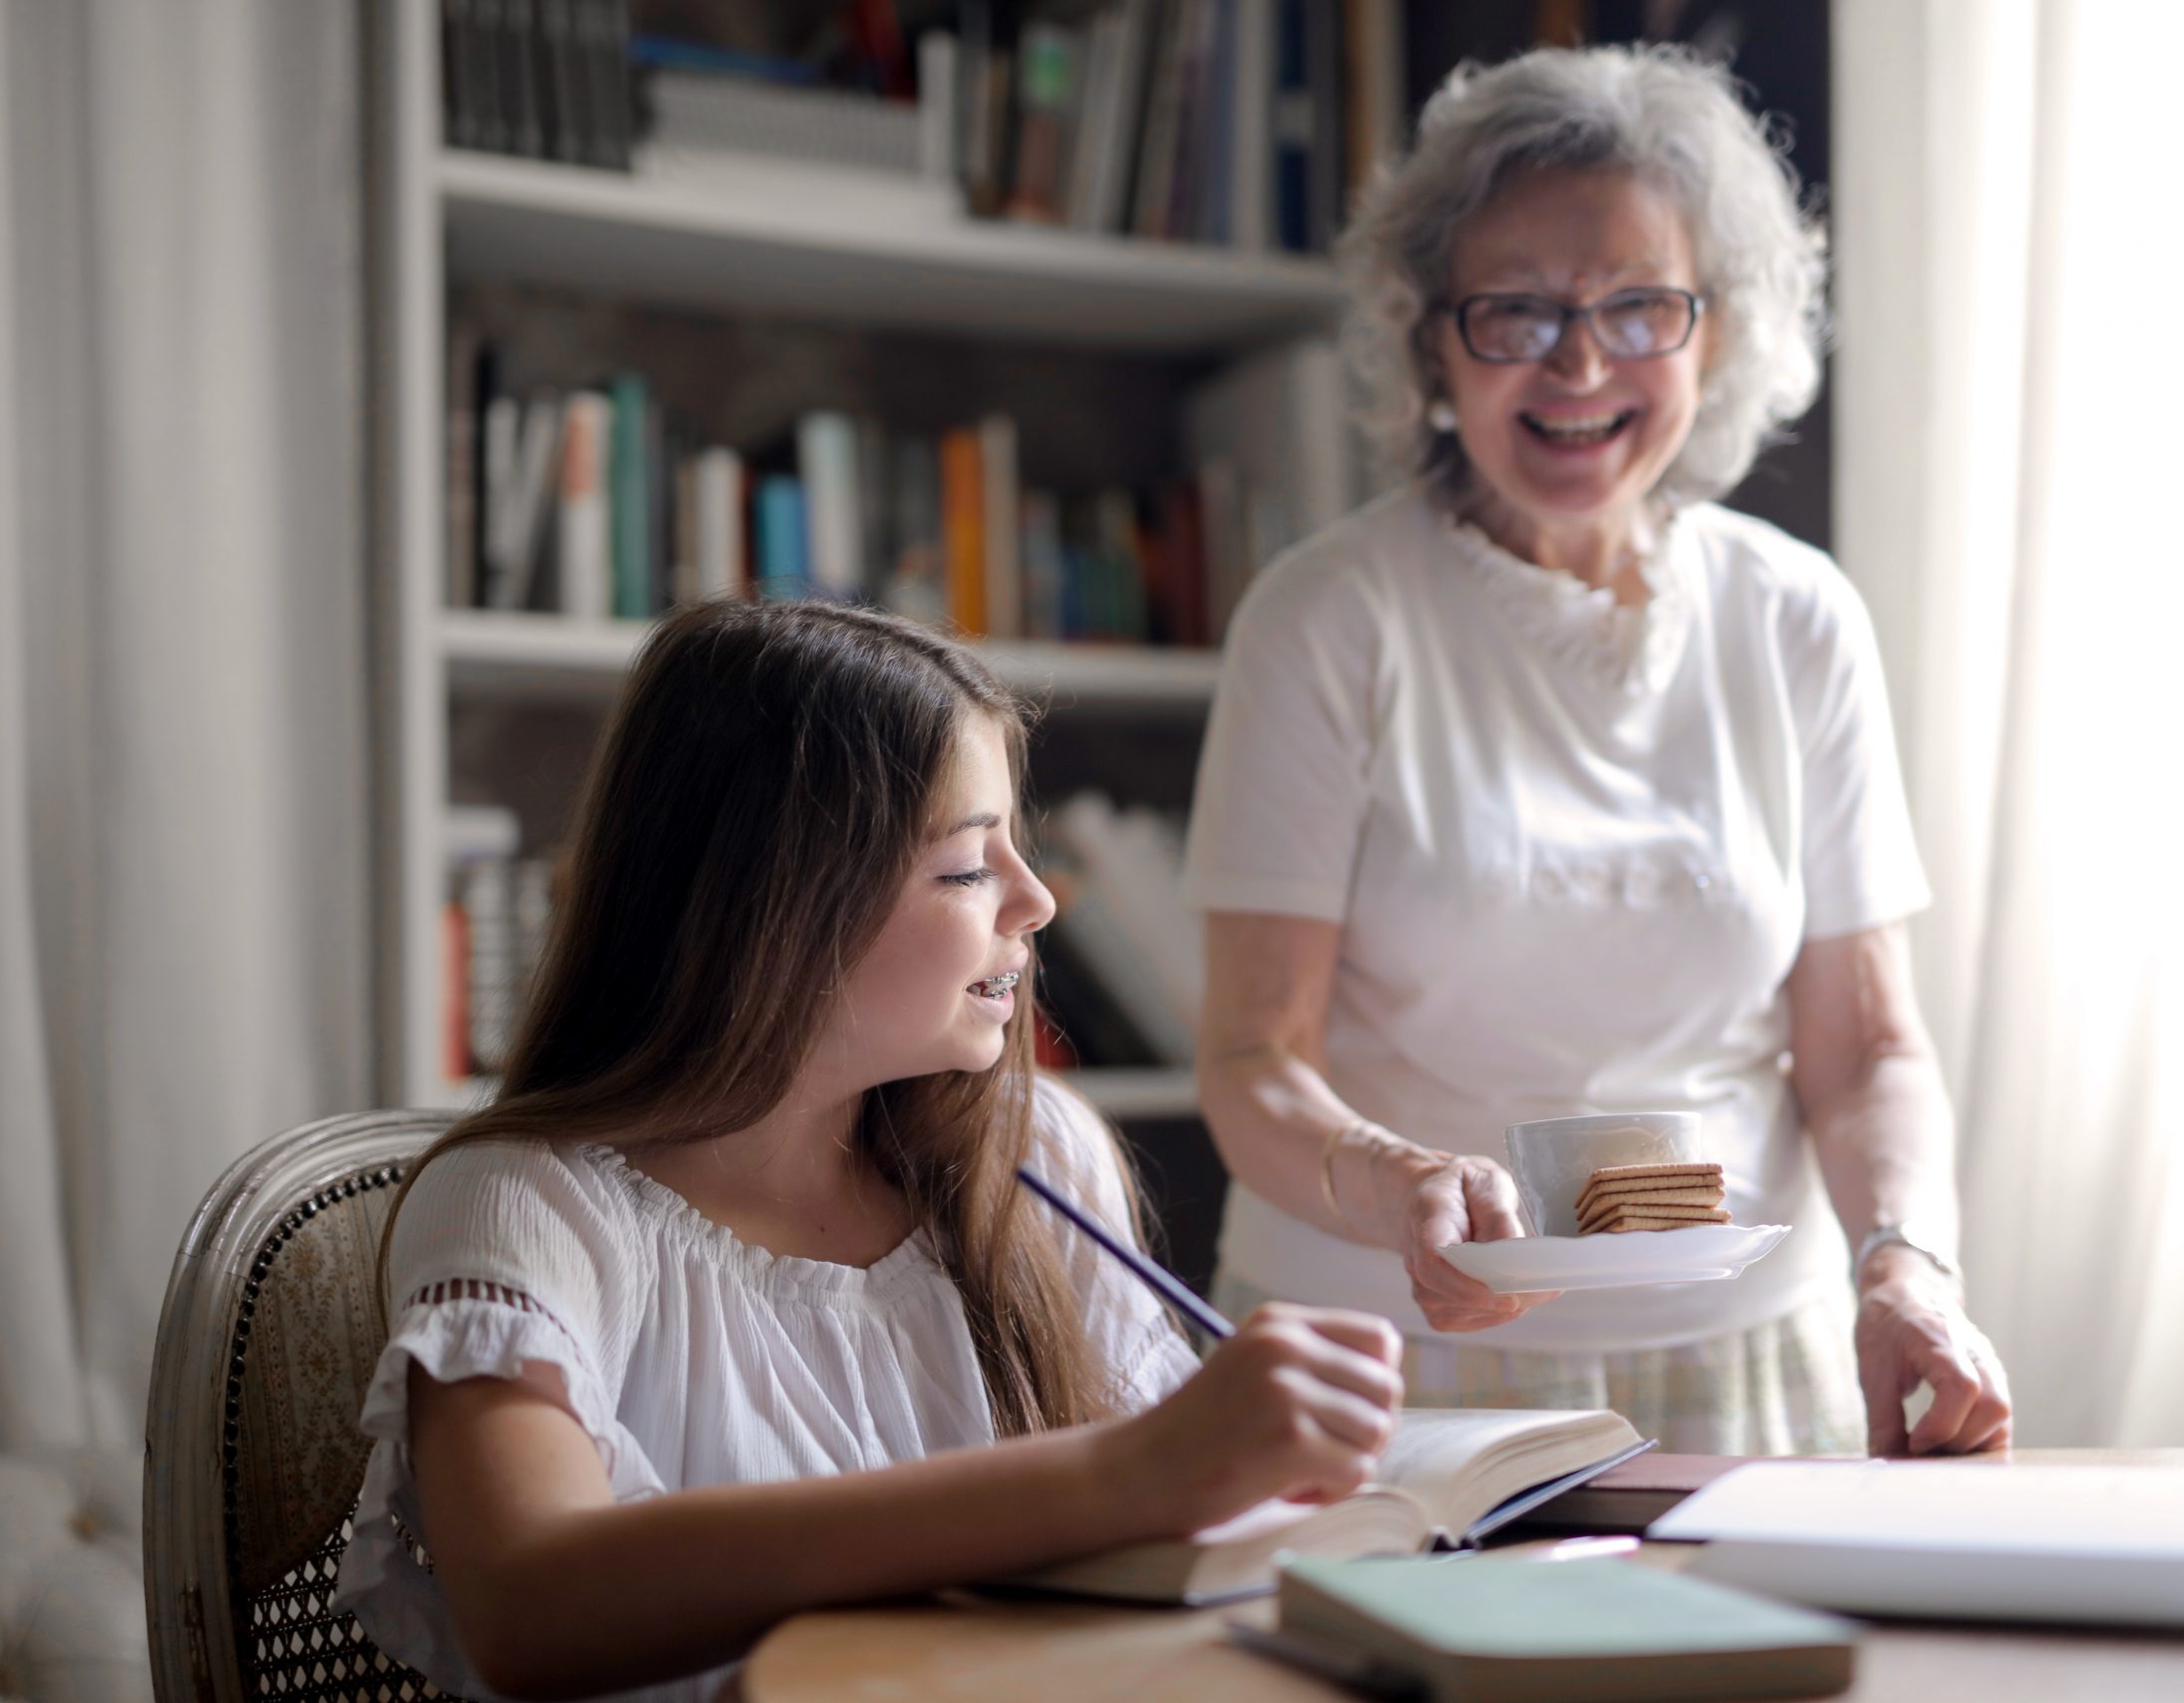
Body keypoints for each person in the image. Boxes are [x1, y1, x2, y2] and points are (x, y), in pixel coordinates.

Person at [335, 601, 1404, 1703]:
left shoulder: (1036, 1160)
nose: (1036, 902)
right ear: (773, 907)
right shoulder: (530, 1210)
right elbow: (528, 1604)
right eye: (963, 869)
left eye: (1015, 850)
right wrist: (1122, 1476)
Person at [1184, 44, 2011, 1459]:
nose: (1578, 363)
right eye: (1515, 311)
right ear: (1429, 337)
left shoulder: (1797, 615)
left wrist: (1905, 1261)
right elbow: (1255, 1056)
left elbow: (1868, 1044)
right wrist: (1396, 1185)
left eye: (1640, 305)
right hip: (1379, 1351)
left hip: (1748, 1346)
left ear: (1717, 331)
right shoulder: (1325, 619)